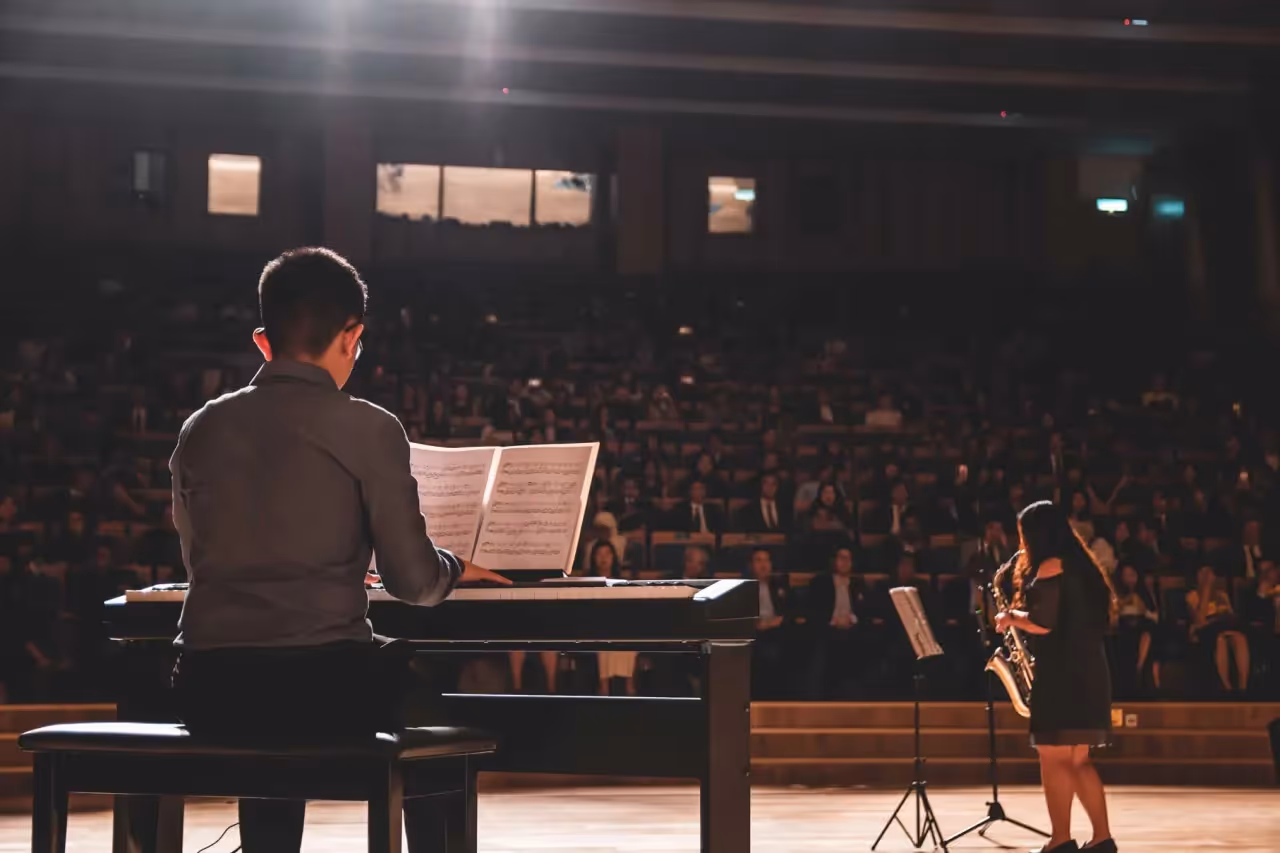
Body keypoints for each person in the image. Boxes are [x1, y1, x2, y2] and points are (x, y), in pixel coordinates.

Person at [168, 247, 510, 853]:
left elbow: (198, 560)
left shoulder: (200, 427)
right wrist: (453, 566)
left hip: (208, 686)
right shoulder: (369, 425)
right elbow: (410, 582)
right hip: (321, 686)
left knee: (268, 708)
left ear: (262, 340)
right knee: (429, 713)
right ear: (353, 337)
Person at [995, 500, 1117, 853]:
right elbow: (1059, 614)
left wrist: (1012, 619)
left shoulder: (1049, 566)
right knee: (1078, 760)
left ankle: (1060, 840)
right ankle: (1102, 839)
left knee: (1053, 758)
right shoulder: (1082, 566)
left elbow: (1044, 622)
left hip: (1062, 675)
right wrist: (1018, 613)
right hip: (1088, 671)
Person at [1185, 564, 1250, 693]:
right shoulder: (1192, 596)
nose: (1208, 577)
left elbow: (1231, 616)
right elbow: (1199, 621)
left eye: (1210, 574)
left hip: (1224, 626)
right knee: (1220, 640)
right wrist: (1206, 589)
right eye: (1203, 574)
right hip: (1205, 630)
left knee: (1240, 638)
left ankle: (1243, 687)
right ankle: (1226, 687)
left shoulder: (1222, 595)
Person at [588, 541, 637, 695]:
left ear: (614, 558)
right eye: (599, 554)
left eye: (607, 554)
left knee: (630, 636)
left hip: (618, 624)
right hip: (594, 626)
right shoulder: (586, 581)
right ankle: (604, 686)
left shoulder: (622, 582)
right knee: (603, 640)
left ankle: (629, 683)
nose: (603, 558)